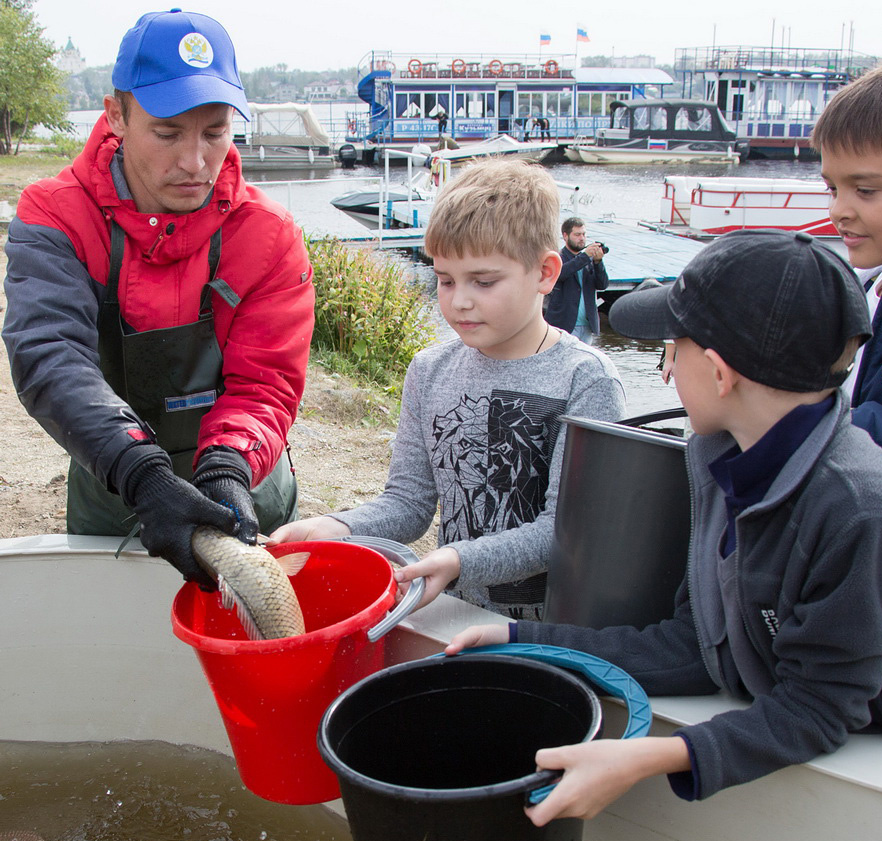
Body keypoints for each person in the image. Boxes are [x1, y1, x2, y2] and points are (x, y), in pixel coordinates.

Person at [446, 230, 882, 826]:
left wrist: (652, 758)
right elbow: (695, 640)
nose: (668, 366)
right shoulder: (720, 455)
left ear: (720, 373)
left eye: (673, 346)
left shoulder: (863, 512)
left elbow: (822, 706)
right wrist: (527, 644)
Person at [2, 10, 314, 589]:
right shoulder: (55, 216)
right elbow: (49, 356)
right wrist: (141, 471)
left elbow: (266, 383)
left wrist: (227, 469)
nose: (194, 162)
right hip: (114, 479)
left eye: (215, 132)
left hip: (243, 482)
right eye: (168, 133)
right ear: (116, 115)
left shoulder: (268, 234)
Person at [270, 159, 627, 620]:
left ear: (545, 273)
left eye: (483, 281)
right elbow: (409, 504)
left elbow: (565, 531)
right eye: (444, 280)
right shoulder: (429, 370)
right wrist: (334, 526)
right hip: (456, 618)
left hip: (553, 634)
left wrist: (459, 561)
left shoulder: (587, 379)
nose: (458, 300)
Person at [813, 57, 882, 499]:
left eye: (865, 190)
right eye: (832, 188)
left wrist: (831, 424)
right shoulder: (867, 288)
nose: (838, 209)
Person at [543, 217, 608, 344]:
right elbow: (560, 274)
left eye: (584, 234)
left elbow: (602, 285)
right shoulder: (558, 257)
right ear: (565, 236)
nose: (582, 238)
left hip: (587, 325)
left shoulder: (588, 259)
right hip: (563, 325)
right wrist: (585, 256)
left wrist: (598, 262)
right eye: (577, 234)